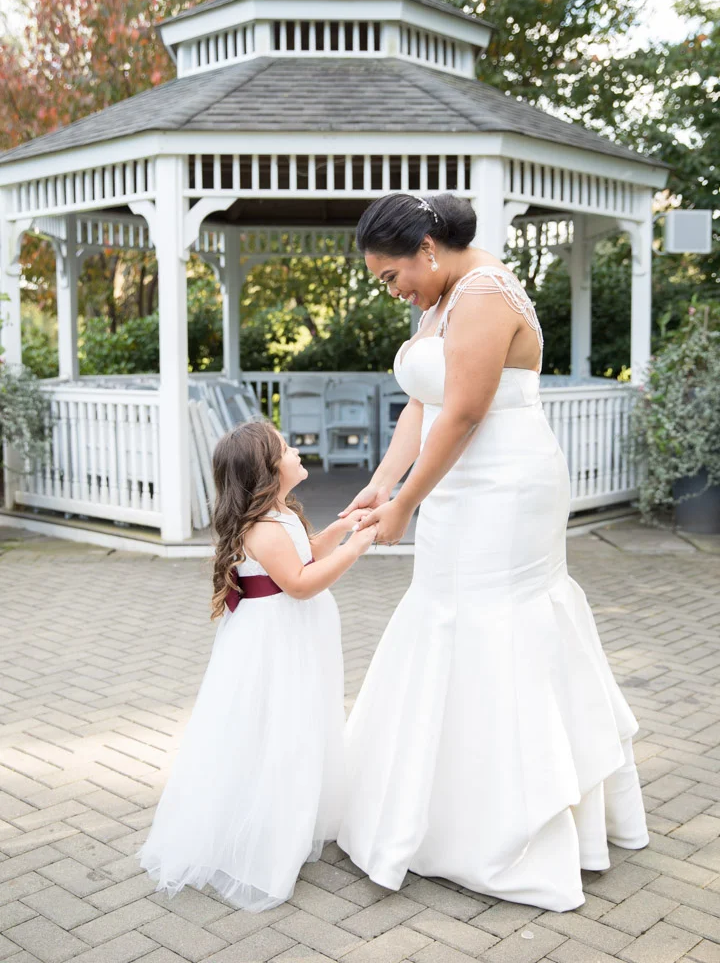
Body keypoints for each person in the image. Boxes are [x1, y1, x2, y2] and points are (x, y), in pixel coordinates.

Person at [336, 192, 649, 912]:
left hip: (504, 487)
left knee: (495, 626)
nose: (393, 292)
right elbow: (423, 403)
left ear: (426, 247)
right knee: (445, 617)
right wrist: (381, 484)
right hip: (455, 482)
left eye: (391, 277)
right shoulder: (439, 295)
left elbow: (467, 412)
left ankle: (511, 825)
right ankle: (438, 813)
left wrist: (406, 505)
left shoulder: (480, 292)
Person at [138, 420, 376, 912]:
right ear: (268, 470)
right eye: (286, 447)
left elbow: (304, 554)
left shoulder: (280, 515)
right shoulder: (263, 529)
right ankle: (266, 832)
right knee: (278, 725)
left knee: (302, 718)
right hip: (275, 640)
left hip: (293, 635)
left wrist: (340, 529)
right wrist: (356, 548)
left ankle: (294, 813)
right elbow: (300, 583)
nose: (296, 449)